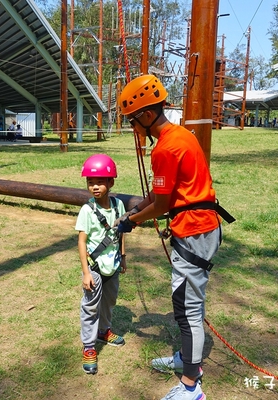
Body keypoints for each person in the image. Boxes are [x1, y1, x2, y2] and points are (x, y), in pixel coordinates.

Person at [116, 74, 234, 400]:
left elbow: (163, 205)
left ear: (146, 115)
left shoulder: (165, 150)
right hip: (200, 225)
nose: (133, 129)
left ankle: (191, 386)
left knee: (187, 310)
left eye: (132, 121)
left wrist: (133, 221)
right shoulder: (181, 135)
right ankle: (186, 358)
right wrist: (135, 212)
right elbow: (161, 194)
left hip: (195, 232)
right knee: (185, 304)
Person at [75, 154, 127, 375]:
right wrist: (86, 273)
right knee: (90, 306)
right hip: (94, 268)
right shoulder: (87, 210)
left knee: (109, 301)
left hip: (113, 266)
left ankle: (104, 330)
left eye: (99, 182)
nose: (94, 187)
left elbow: (121, 233)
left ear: (111, 182)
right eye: (90, 183)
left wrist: (123, 257)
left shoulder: (118, 205)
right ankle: (89, 346)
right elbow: (82, 241)